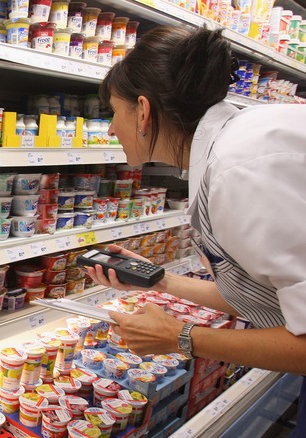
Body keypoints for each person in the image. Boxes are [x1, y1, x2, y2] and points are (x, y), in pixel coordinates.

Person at [85, 26, 306, 435]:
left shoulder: (240, 172)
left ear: (144, 111)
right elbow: (271, 295)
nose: (112, 130)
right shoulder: (237, 144)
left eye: (114, 112)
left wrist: (182, 336)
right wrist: (160, 280)